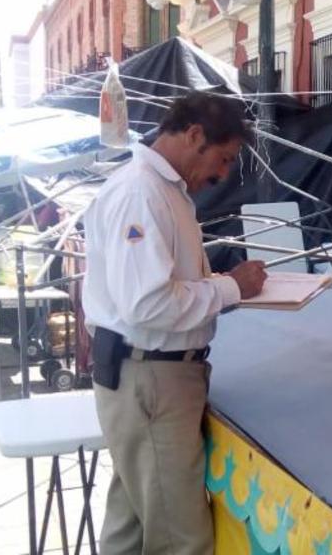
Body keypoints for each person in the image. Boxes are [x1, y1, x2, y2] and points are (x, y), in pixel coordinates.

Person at [83, 93, 266, 555]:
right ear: (194, 135)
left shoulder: (160, 191)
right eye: (223, 160)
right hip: (152, 379)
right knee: (180, 539)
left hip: (149, 376)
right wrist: (230, 289)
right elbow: (147, 304)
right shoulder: (141, 192)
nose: (222, 175)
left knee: (132, 526)